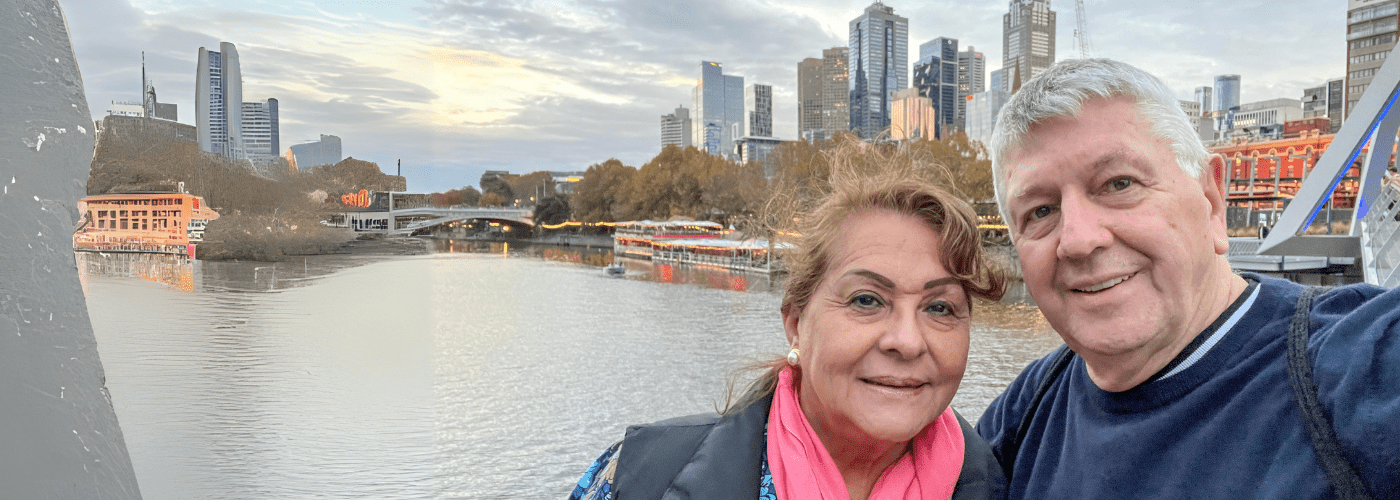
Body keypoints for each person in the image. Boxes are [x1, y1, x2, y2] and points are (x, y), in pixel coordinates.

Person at [976, 58, 1400, 499]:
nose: (1080, 240)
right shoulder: (1023, 413)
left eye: (1119, 184)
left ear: (1211, 200)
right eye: (1041, 212)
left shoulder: (1358, 364)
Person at [569, 160, 1009, 500]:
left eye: (939, 307)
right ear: (796, 324)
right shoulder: (642, 475)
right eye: (866, 300)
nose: (908, 341)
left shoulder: (1005, 482)